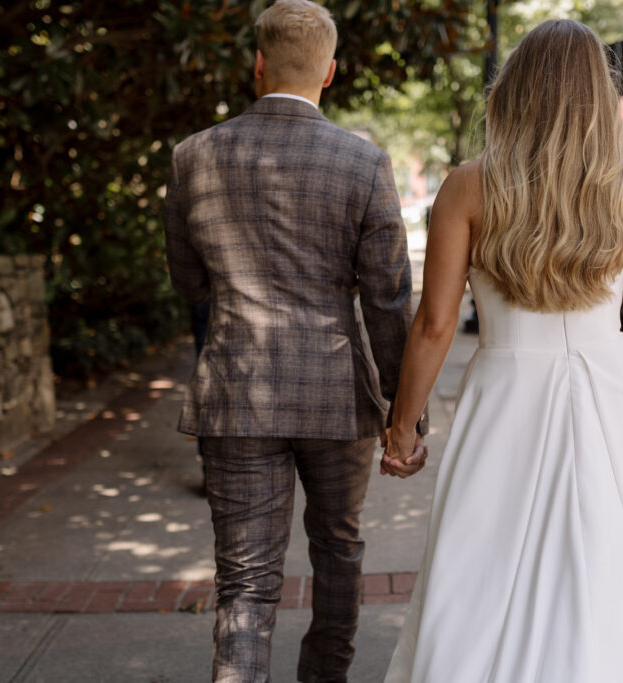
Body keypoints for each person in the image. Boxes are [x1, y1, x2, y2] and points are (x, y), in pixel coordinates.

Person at [380, 19, 623, 683]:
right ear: (598, 94)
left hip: (503, 389)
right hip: (614, 391)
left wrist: (403, 426)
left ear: (514, 90)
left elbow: (435, 324)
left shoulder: (468, 187)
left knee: (484, 560)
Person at [164, 1, 426, 680]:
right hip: (337, 397)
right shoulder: (363, 163)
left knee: (246, 581)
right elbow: (389, 300)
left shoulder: (193, 155)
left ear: (257, 65)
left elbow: (188, 281)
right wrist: (405, 414)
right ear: (330, 72)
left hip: (236, 395)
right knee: (338, 550)